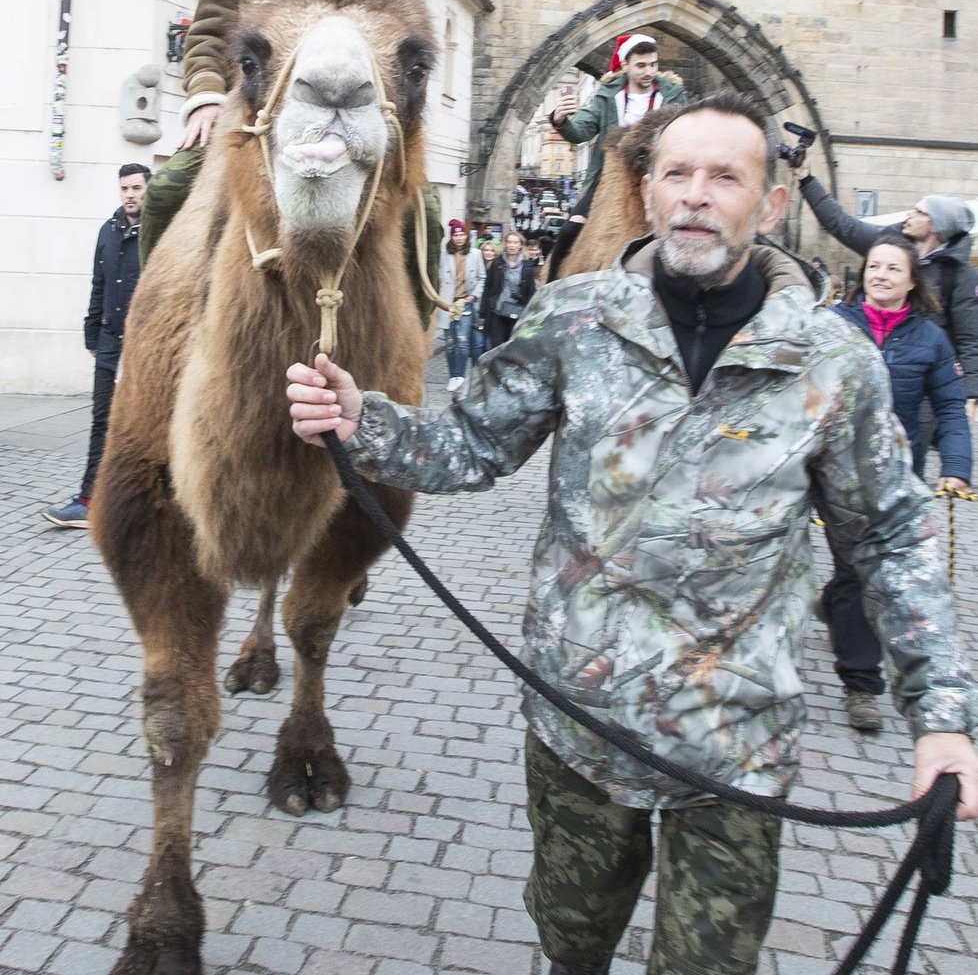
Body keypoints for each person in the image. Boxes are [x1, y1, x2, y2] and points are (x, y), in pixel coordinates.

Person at [288, 91, 978, 975]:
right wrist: (364, 421)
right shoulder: (575, 321)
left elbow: (888, 537)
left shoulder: (832, 363)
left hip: (735, 745)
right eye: (677, 174)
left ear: (769, 205)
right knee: (571, 943)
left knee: (707, 964)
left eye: (725, 176)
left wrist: (943, 716)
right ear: (648, 194)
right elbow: (469, 445)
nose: (696, 194)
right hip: (584, 724)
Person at [138, 0, 383, 263]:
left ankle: (417, 322)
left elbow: (394, 44)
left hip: (353, 110)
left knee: (426, 211)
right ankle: (154, 318)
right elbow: (207, 34)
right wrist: (205, 99)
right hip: (251, 111)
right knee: (166, 189)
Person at [818, 234, 972, 732]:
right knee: (851, 574)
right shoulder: (833, 326)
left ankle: (859, 677)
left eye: (892, 268)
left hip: (892, 475)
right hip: (831, 473)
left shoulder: (930, 339)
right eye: (874, 266)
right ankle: (859, 678)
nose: (880, 274)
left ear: (911, 280)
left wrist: (956, 465)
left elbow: (949, 407)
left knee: (863, 574)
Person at [794, 162, 978, 421]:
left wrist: (970, 394)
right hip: (867, 368)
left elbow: (970, 338)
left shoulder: (960, 274)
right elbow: (841, 224)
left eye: (918, 211)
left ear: (936, 225)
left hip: (919, 384)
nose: (909, 214)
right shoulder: (888, 244)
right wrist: (806, 179)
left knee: (911, 446)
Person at [42, 164, 151, 530]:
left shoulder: (158, 233)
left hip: (144, 349)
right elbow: (99, 285)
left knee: (146, 424)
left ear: (148, 189)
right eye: (125, 188)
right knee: (102, 421)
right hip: (108, 345)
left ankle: (147, 504)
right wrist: (91, 334)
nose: (130, 194)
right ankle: (88, 500)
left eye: (136, 187)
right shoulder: (108, 231)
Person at [547, 34, 688, 280]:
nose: (649, 71)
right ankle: (551, 288)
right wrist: (561, 120)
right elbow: (581, 130)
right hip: (609, 178)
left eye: (653, 64)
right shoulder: (607, 95)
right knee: (570, 231)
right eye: (641, 65)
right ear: (625, 65)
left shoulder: (673, 94)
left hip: (658, 176)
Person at [437, 219, 484, 393]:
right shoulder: (444, 254)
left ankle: (460, 375)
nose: (459, 238)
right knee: (450, 342)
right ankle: (453, 376)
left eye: (462, 234)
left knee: (462, 340)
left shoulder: (475, 254)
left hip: (465, 301)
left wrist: (473, 296)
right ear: (451, 237)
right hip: (447, 303)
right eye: (456, 235)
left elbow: (481, 277)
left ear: (466, 236)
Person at [480, 230, 537, 350]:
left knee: (512, 347)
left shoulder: (527, 266)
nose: (512, 245)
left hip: (517, 312)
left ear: (520, 245)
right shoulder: (497, 263)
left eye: (515, 242)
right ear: (505, 244)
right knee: (496, 346)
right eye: (509, 242)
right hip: (497, 311)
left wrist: (531, 314)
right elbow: (488, 288)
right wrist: (483, 312)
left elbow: (531, 291)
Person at [471, 239, 498, 359]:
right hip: (477, 309)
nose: (488, 253)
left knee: (489, 345)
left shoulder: (498, 267)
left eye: (491, 250)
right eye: (486, 250)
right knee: (477, 344)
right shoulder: (476, 266)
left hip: (491, 312)